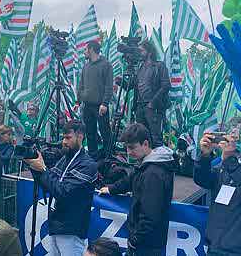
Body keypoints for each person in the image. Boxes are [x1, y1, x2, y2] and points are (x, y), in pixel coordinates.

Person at [24, 120, 98, 256]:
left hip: (72, 230)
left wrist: (43, 170)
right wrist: (35, 166)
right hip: (56, 225)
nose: (64, 141)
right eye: (63, 137)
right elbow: (49, 183)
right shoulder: (66, 159)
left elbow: (63, 192)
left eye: (68, 137)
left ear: (80, 136)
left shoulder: (88, 165)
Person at [99, 123, 174, 256]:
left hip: (146, 245)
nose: (128, 152)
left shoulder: (153, 174)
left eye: (132, 147)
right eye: (127, 148)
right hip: (146, 242)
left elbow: (150, 215)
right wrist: (111, 189)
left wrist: (135, 240)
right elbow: (130, 181)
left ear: (145, 144)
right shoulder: (146, 165)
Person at [194, 128, 240, 255]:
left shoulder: (231, 164)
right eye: (233, 133)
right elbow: (203, 180)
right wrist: (204, 155)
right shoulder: (227, 165)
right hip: (216, 246)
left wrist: (229, 160)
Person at [77, 40, 115, 159]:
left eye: (85, 50)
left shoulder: (106, 64)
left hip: (100, 106)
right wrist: (78, 100)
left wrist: (105, 103)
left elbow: (109, 86)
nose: (84, 52)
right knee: (90, 132)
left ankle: (108, 157)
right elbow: (81, 84)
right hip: (87, 106)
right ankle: (93, 157)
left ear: (91, 49)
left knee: (105, 133)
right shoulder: (86, 66)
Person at [134, 41, 170, 147]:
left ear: (149, 52)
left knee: (155, 138)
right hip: (140, 106)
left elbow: (166, 85)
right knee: (142, 137)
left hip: (153, 107)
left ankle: (158, 162)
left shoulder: (159, 66)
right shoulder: (140, 68)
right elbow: (134, 86)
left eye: (141, 51)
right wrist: (120, 82)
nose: (139, 53)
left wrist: (152, 103)